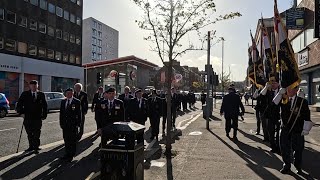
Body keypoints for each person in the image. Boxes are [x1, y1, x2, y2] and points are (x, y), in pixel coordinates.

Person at [279, 86, 311, 174]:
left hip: (297, 129)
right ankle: (286, 165)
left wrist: (306, 128)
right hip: (285, 128)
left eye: (292, 88)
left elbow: (307, 116)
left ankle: (298, 166)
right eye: (288, 88)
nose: (289, 90)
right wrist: (279, 94)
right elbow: (272, 106)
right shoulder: (282, 99)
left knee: (298, 149)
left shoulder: (302, 102)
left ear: (296, 90)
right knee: (284, 148)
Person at [16, 80, 48, 153]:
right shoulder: (25, 94)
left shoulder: (41, 94)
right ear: (29, 86)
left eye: (35, 86)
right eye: (32, 86)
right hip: (27, 117)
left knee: (37, 133)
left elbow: (45, 106)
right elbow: (19, 104)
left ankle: (36, 147)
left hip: (37, 117)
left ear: (37, 86)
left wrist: (44, 115)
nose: (33, 87)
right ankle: (31, 146)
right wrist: (21, 113)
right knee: (29, 133)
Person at [59, 88, 82, 162]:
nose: (68, 94)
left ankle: (71, 155)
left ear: (73, 93)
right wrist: (61, 123)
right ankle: (67, 153)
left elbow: (79, 114)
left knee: (72, 140)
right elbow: (61, 114)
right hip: (65, 125)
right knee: (66, 139)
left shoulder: (77, 102)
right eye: (67, 93)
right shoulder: (63, 101)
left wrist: (78, 124)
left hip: (73, 125)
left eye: (70, 93)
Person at [263, 78, 281, 153]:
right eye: (272, 83)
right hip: (270, 115)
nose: (273, 85)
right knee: (271, 131)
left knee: (279, 133)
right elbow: (261, 95)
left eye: (275, 83)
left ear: (279, 84)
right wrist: (266, 87)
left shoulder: (282, 92)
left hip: (279, 115)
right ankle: (273, 147)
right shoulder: (268, 92)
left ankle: (279, 147)